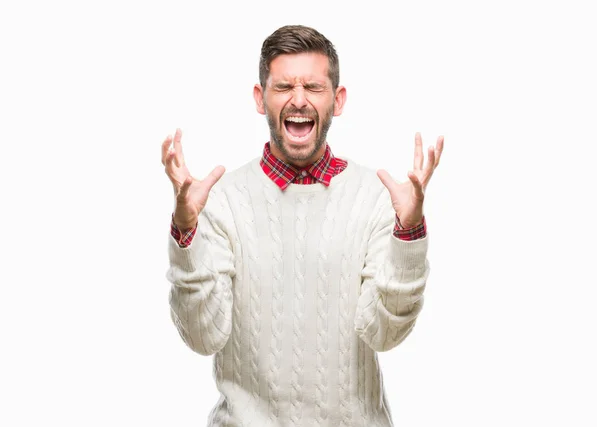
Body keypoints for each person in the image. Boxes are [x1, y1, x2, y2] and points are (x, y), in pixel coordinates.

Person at [162, 25, 443, 427]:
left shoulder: (377, 197)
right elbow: (202, 336)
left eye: (313, 86)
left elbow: (386, 334)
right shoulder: (220, 199)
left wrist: (409, 234)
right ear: (261, 98)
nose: (298, 100)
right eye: (283, 87)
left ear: (337, 99)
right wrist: (185, 233)